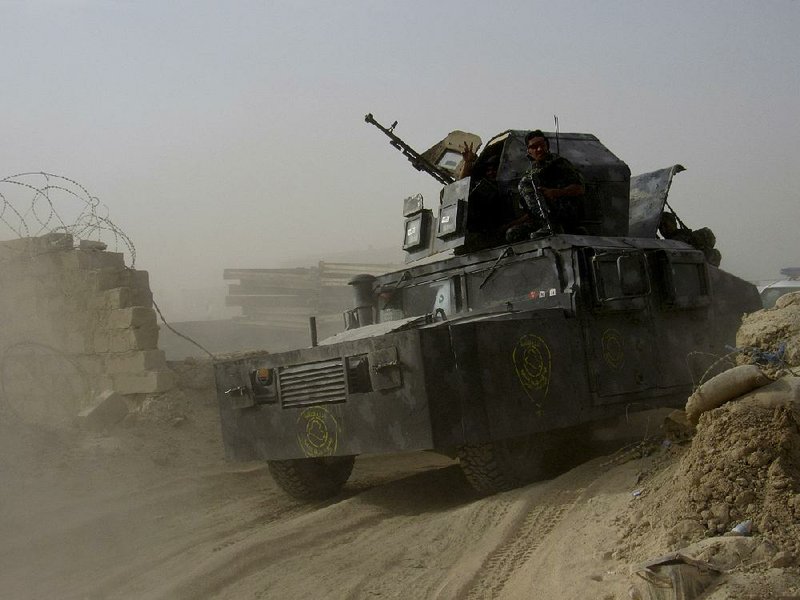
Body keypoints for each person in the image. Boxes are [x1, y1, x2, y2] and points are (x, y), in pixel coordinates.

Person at [506, 130, 585, 241]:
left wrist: (556, 192)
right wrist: (513, 223)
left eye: (542, 145)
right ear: (528, 151)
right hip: (543, 219)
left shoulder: (559, 163)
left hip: (564, 215)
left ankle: (553, 227)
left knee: (525, 183)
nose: (539, 149)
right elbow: (534, 208)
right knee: (512, 234)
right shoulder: (533, 171)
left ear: (547, 146)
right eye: (534, 147)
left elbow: (579, 189)